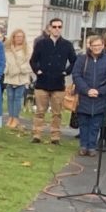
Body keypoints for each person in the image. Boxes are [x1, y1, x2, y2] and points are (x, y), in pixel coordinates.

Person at [29, 16, 77, 145]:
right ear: (50, 28)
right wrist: (37, 71)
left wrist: (66, 72)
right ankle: (37, 134)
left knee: (57, 113)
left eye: (59, 27)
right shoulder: (41, 43)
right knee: (40, 111)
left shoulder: (67, 45)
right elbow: (33, 60)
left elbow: (74, 61)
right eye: (54, 27)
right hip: (42, 83)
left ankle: (55, 136)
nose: (56, 29)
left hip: (58, 83)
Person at [72, 35, 106, 157]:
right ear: (90, 46)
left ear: (103, 45)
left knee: (95, 124)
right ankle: (83, 146)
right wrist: (86, 90)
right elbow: (76, 75)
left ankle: (92, 146)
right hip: (84, 96)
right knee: (83, 123)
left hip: (100, 98)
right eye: (94, 45)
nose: (96, 48)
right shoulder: (82, 59)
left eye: (99, 45)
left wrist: (100, 91)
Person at [1, 28, 33, 131]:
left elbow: (27, 63)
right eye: (17, 37)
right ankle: (10, 117)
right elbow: (5, 61)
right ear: (13, 37)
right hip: (10, 76)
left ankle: (16, 118)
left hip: (21, 77)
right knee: (10, 97)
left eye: (21, 37)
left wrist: (19, 68)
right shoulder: (7, 48)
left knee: (17, 98)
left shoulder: (27, 49)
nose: (19, 39)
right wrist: (6, 70)